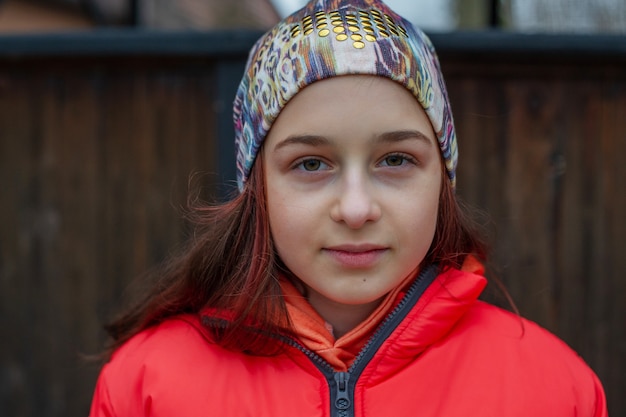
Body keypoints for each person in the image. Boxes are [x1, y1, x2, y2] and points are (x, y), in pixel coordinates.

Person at [89, 0, 608, 415]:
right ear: (258, 186)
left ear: (443, 180)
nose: (356, 209)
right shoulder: (146, 387)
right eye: (311, 164)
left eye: (396, 159)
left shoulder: (555, 391)